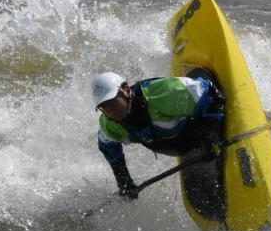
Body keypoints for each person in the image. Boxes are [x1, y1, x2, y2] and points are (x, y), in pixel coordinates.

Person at [92, 70, 227, 220]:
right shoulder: (110, 126)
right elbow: (107, 145)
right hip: (186, 145)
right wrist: (124, 181)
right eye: (104, 107)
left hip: (201, 125)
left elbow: (212, 96)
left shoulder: (162, 94)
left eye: (111, 102)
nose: (109, 110)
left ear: (126, 90)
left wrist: (210, 139)